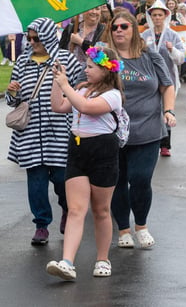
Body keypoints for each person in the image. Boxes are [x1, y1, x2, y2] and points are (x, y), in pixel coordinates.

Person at [46, 45, 124, 281]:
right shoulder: (82, 89)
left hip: (103, 151)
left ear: (105, 70)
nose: (86, 70)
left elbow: (86, 108)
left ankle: (103, 258)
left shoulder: (113, 95)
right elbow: (59, 107)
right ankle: (67, 262)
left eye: (90, 67)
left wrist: (66, 85)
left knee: (101, 210)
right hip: (78, 149)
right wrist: (57, 81)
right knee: (76, 210)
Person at [101, 12, 176, 249]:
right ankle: (123, 228)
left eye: (124, 26)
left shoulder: (150, 56)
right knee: (118, 181)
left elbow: (167, 86)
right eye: (114, 27)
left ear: (134, 29)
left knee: (141, 179)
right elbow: (92, 81)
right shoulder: (105, 57)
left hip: (148, 130)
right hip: (112, 132)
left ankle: (141, 225)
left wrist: (169, 111)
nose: (119, 30)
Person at [6, 17, 81, 245]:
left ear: (48, 36)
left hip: (59, 129)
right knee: (36, 183)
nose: (32, 42)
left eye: (36, 38)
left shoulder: (67, 60)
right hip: (29, 132)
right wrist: (11, 92)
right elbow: (12, 100)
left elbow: (79, 92)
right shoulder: (22, 62)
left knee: (61, 178)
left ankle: (67, 208)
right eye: (29, 38)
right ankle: (41, 224)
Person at [141, 0, 186, 157]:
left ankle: (165, 145)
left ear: (165, 16)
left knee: (166, 110)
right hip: (149, 79)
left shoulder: (173, 35)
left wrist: (172, 49)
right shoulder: (144, 35)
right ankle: (151, 140)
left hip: (168, 79)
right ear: (150, 17)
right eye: (154, 15)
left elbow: (181, 58)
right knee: (152, 109)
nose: (157, 18)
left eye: (160, 15)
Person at [59, 5, 107, 81]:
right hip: (68, 75)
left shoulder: (105, 32)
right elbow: (60, 52)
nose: (94, 12)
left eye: (97, 9)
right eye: (91, 8)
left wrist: (81, 42)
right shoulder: (71, 28)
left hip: (90, 79)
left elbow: (102, 58)